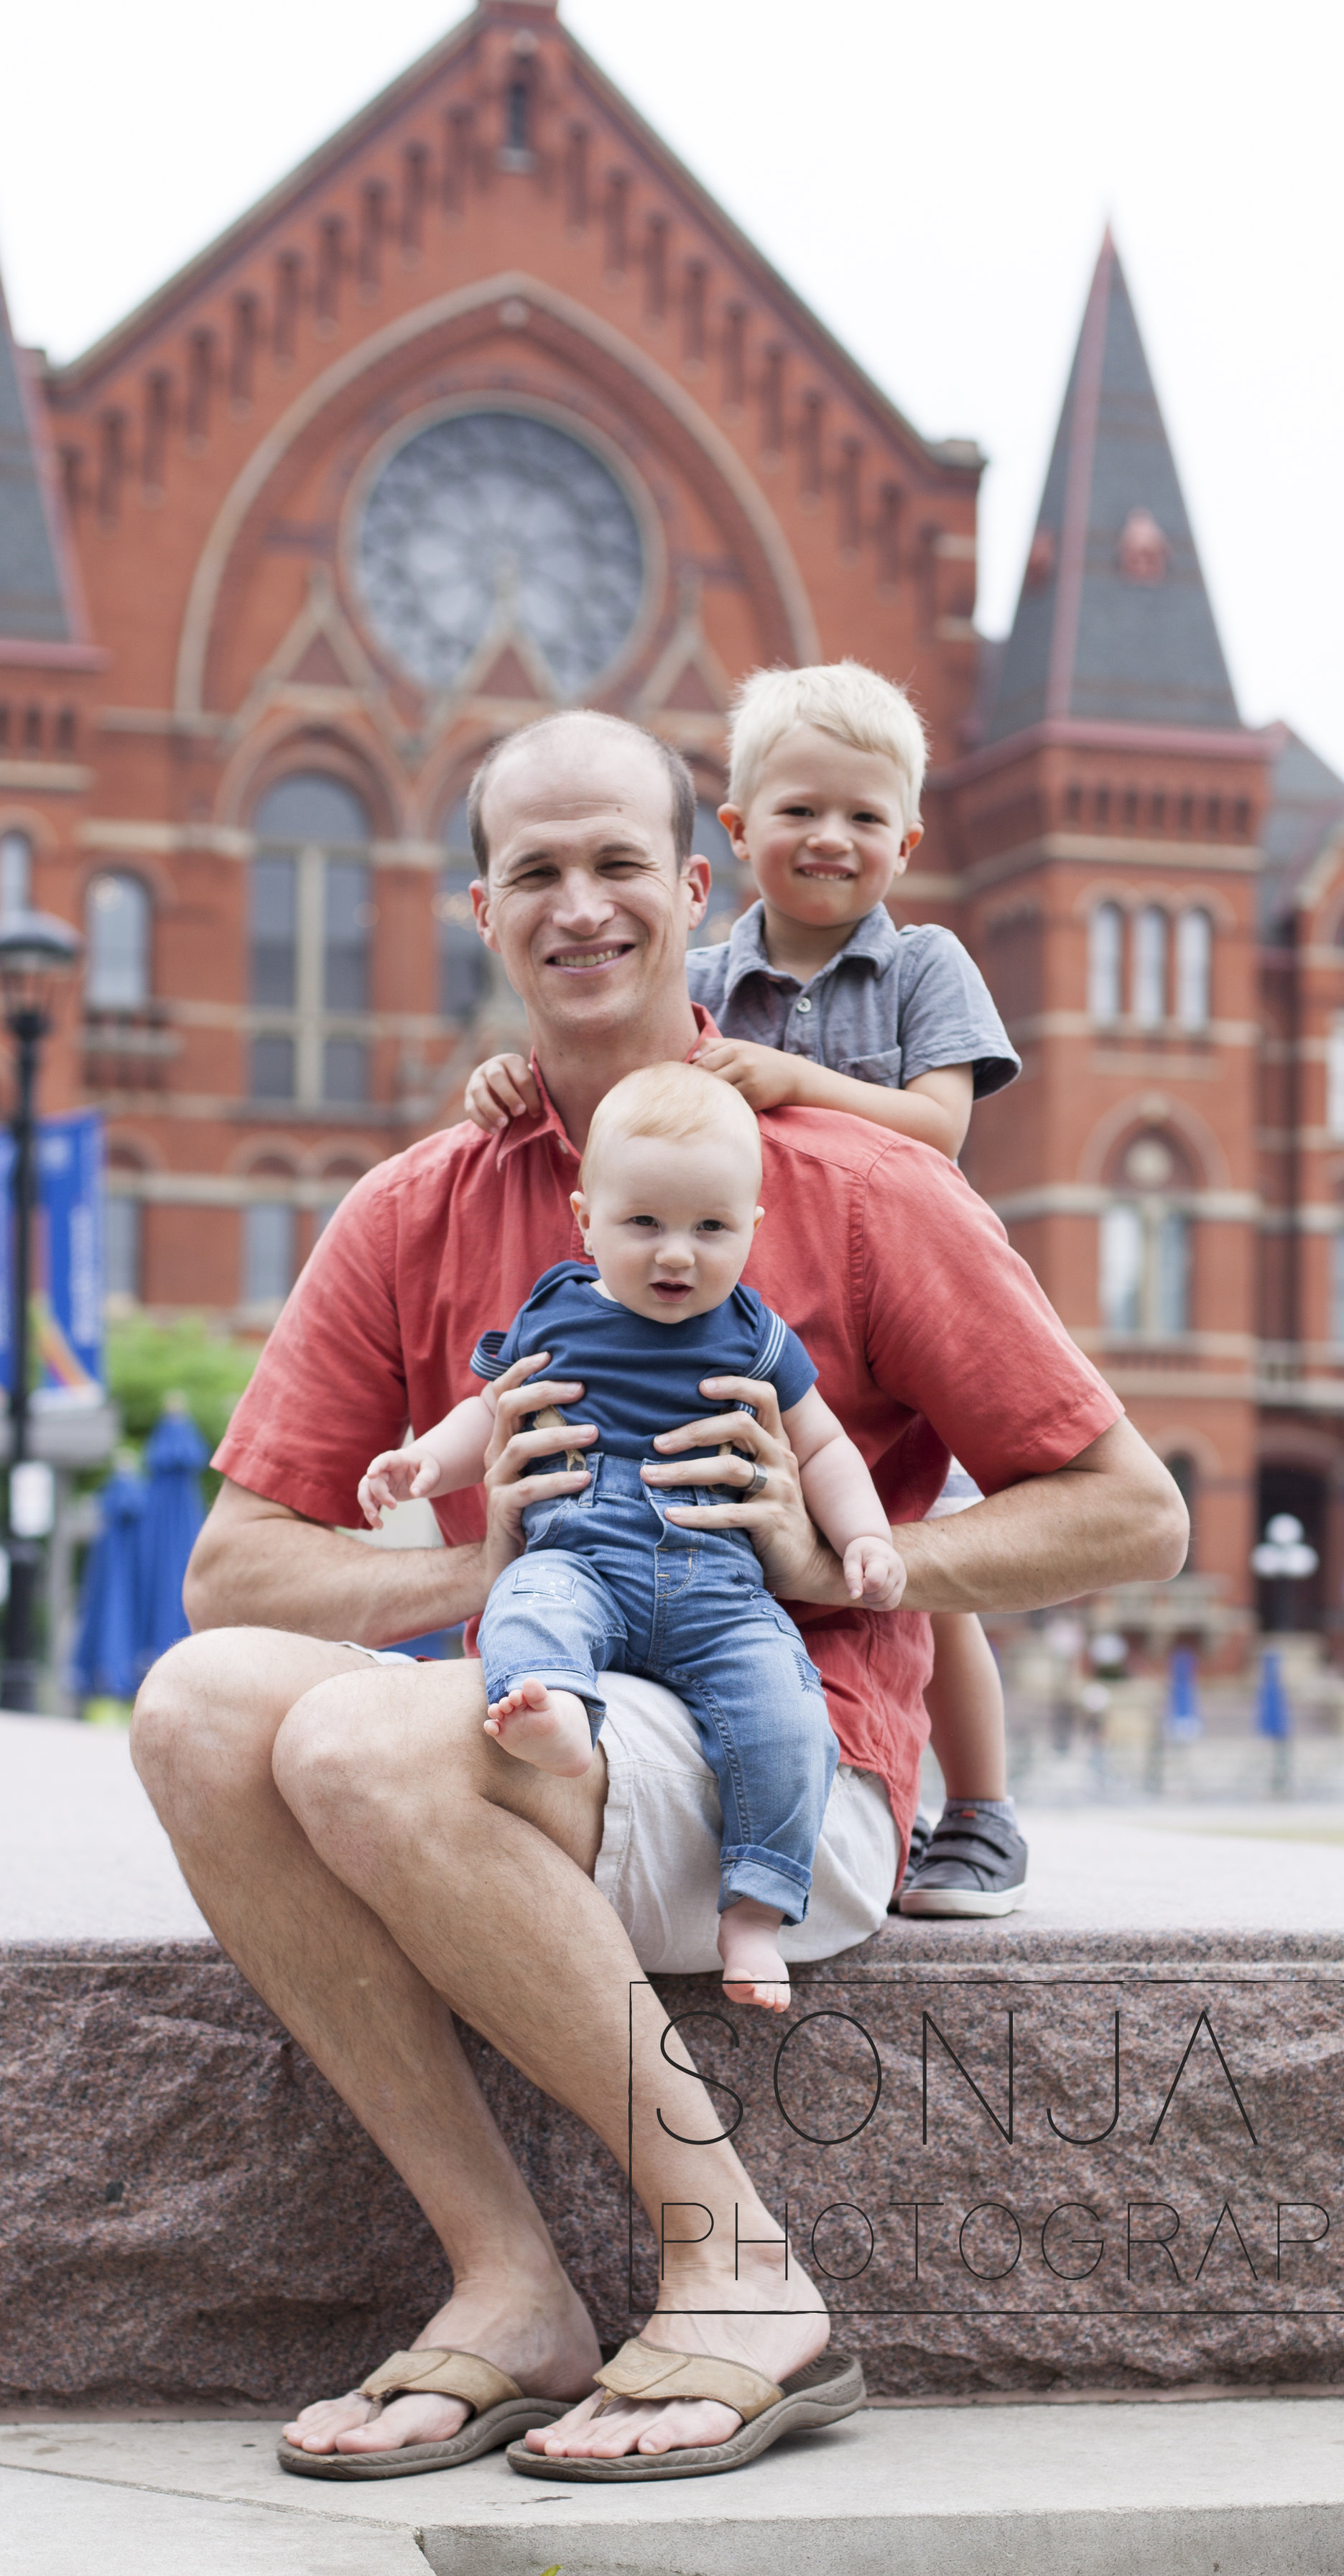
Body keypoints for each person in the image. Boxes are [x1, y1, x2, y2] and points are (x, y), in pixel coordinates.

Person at [131, 709, 1186, 2481]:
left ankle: (739, 2271)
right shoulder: (413, 1204)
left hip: (795, 1776)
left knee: (372, 1748)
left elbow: (1130, 1513)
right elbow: (230, 1569)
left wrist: (833, 1554)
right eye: (533, 871)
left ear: (692, 891)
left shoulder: (852, 1182)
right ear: (480, 909)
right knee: (196, 1707)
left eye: (617, 862)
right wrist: (480, 1558)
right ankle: (509, 2287)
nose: (580, 906)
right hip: (542, 1740)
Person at [465, 660, 1029, 1918]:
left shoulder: (926, 965)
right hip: (731, 1286)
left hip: (920, 1295)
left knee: (930, 1571)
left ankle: (984, 1811)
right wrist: (512, 1076)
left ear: (907, 838)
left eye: (864, 818)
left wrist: (794, 1082)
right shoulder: (706, 970)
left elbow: (936, 1129)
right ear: (733, 834)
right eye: (798, 811)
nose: (831, 839)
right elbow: (639, 1070)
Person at [360, 1058, 905, 2009]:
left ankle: (755, 1912)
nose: (677, 1255)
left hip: (721, 1585)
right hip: (584, 1554)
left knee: (786, 1713)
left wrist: (864, 1537)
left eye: (710, 1228)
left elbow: (824, 1450)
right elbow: (486, 1409)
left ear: (753, 1228)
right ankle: (560, 1716)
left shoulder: (756, 1334)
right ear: (586, 1219)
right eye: (644, 1223)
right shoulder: (559, 1311)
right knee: (527, 1603)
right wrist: (424, 1464)